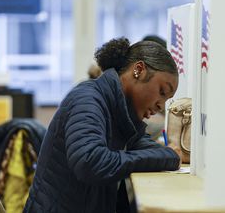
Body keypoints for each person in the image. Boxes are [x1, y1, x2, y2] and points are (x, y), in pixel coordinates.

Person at [23, 37, 181, 213]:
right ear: (138, 70)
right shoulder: (87, 99)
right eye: (162, 92)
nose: (161, 105)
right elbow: (90, 162)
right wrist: (168, 156)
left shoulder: (121, 112)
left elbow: (148, 148)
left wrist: (171, 156)